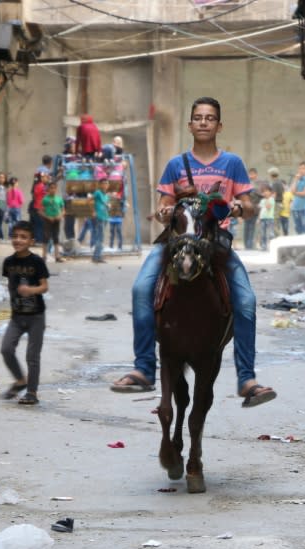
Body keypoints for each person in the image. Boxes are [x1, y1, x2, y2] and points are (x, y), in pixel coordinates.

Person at [110, 96, 276, 407]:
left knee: (247, 301)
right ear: (190, 125)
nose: (203, 122)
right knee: (141, 288)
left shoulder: (233, 164)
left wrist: (241, 208)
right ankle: (144, 367)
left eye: (209, 118)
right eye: (198, 117)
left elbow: (250, 206)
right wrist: (164, 213)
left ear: (219, 125)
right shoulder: (175, 165)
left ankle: (246, 378)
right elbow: (163, 204)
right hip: (177, 243)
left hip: (216, 243)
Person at [1, 220, 50, 405]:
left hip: (36, 316)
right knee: (6, 349)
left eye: (23, 237)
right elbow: (10, 284)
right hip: (17, 315)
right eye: (15, 236)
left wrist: (31, 290)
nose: (18, 240)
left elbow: (45, 287)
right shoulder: (8, 262)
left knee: (32, 356)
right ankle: (20, 380)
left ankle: (32, 392)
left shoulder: (37, 262)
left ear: (31, 240)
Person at [39, 181, 65, 262]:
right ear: (48, 189)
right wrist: (47, 217)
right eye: (51, 188)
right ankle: (44, 256)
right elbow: (40, 211)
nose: (53, 190)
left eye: (54, 188)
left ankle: (57, 256)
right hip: (48, 221)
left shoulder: (59, 199)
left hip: (57, 220)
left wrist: (60, 216)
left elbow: (63, 210)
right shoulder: (45, 199)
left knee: (56, 238)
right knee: (46, 237)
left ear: (56, 189)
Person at [242, 168, 263, 250]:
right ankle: (246, 244)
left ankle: (250, 244)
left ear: (256, 175)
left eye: (252, 174)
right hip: (247, 209)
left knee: (252, 227)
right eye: (249, 174)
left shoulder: (259, 184)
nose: (251, 176)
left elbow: (262, 195)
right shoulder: (245, 183)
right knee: (246, 227)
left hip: (255, 209)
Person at [92, 178, 110, 263]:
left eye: (107, 183)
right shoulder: (98, 193)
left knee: (101, 237)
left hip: (105, 217)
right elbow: (90, 200)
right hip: (99, 217)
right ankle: (98, 256)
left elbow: (106, 205)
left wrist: (108, 206)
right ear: (100, 185)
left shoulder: (106, 195)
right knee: (100, 237)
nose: (105, 185)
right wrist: (94, 211)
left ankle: (97, 256)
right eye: (104, 183)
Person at [290, 161, 305, 234]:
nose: (301, 170)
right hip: (295, 208)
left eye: (303, 168)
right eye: (300, 168)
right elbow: (292, 190)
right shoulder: (297, 179)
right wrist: (295, 179)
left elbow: (304, 193)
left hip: (304, 208)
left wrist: (295, 192)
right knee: (298, 230)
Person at [267, 167, 286, 236]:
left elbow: (274, 194)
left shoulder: (275, 183)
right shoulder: (280, 183)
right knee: (277, 222)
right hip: (280, 203)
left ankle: (278, 237)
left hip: (276, 204)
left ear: (271, 175)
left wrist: (269, 202)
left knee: (274, 223)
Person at [29, 172, 47, 244]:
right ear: (41, 178)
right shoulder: (42, 186)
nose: (46, 178)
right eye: (45, 177)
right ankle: (39, 240)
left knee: (37, 225)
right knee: (41, 225)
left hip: (35, 208)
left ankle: (37, 240)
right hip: (40, 208)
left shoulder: (36, 186)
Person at [258, 183, 275, 251]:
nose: (265, 193)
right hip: (262, 218)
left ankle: (271, 246)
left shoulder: (271, 199)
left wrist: (268, 198)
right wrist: (259, 218)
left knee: (270, 233)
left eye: (267, 191)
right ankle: (263, 246)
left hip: (269, 219)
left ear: (270, 192)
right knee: (263, 233)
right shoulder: (262, 200)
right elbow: (261, 209)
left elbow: (268, 207)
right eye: (264, 191)